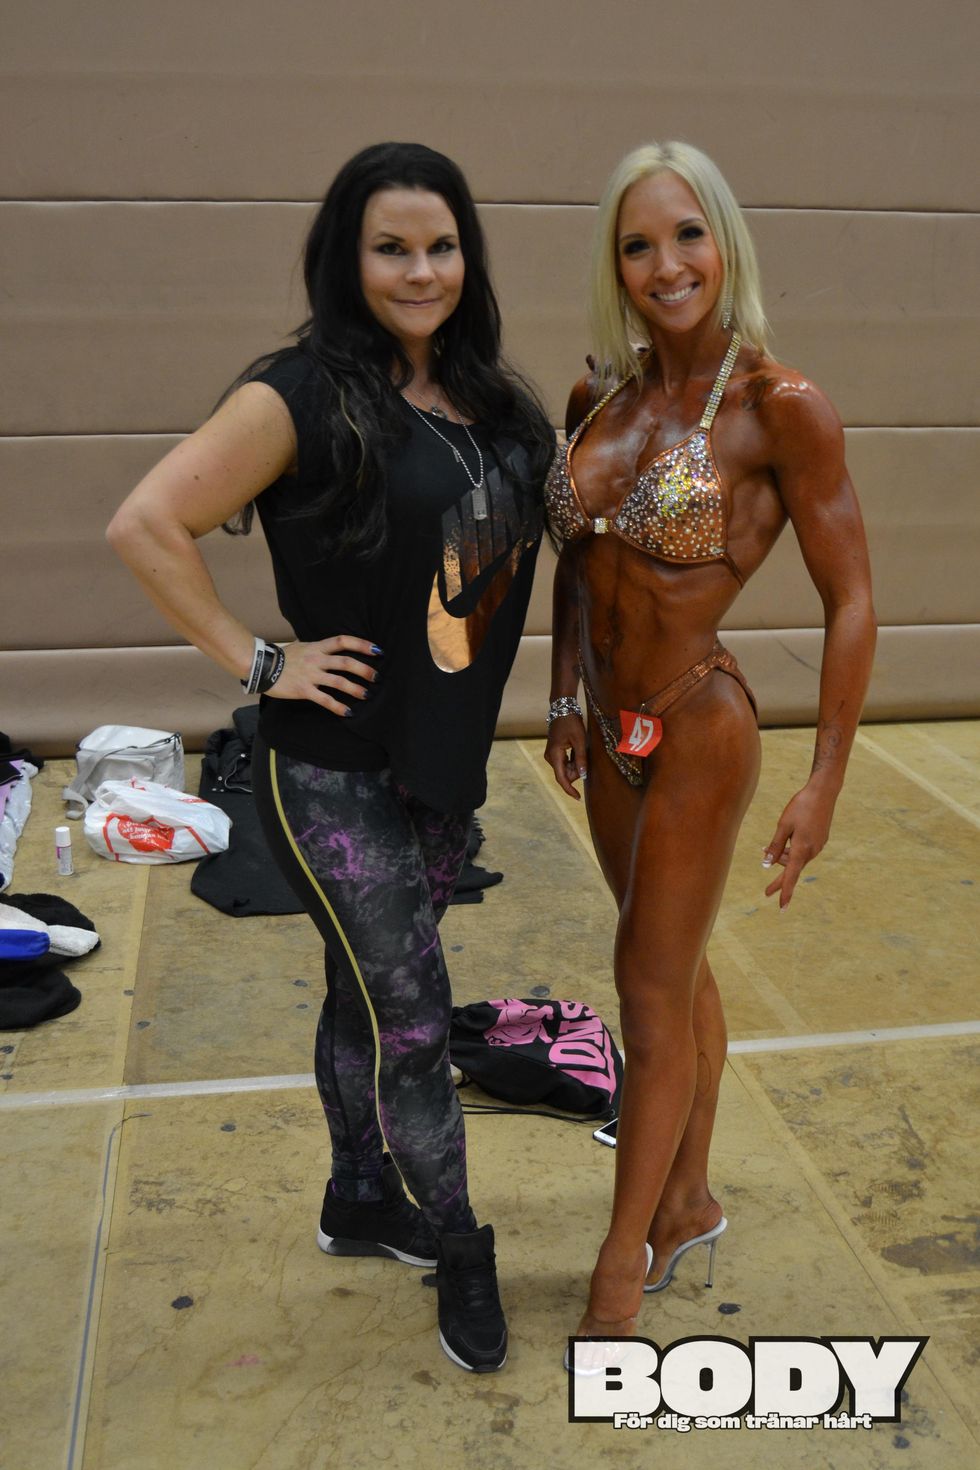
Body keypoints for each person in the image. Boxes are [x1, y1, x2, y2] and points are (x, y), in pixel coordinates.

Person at [107, 141, 554, 1374]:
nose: (420, 271)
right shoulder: (300, 393)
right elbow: (147, 522)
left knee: (362, 993)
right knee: (411, 1014)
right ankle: (458, 1240)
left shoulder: (495, 404)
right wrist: (260, 662)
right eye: (390, 248)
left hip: (440, 767)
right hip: (330, 768)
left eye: (441, 246)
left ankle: (358, 1195)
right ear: (345, 260)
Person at [543, 141, 875, 1369]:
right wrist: (563, 695)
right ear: (615, 264)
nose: (665, 264)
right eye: (637, 244)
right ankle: (684, 1200)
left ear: (724, 241)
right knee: (672, 972)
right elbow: (575, 563)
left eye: (686, 234)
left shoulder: (778, 407)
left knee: (642, 984)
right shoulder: (598, 396)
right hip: (608, 730)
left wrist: (825, 779)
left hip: (696, 725)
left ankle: (617, 1270)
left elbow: (851, 598)